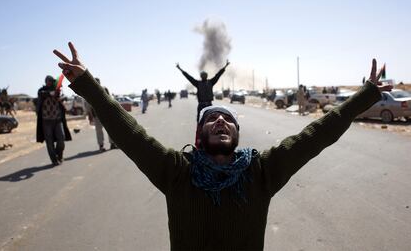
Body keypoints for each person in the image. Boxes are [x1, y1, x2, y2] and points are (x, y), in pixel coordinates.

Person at [54, 42, 391, 250]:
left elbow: (315, 135)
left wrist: (365, 96)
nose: (220, 122)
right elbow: (129, 134)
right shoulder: (176, 171)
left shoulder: (261, 172)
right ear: (199, 134)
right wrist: (87, 84)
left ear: (238, 134)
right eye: (212, 119)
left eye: (228, 120)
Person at [36, 75, 71, 166]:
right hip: (46, 121)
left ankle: (59, 155)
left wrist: (59, 95)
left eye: (52, 81)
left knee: (61, 139)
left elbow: (63, 96)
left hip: (57, 120)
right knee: (49, 141)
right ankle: (54, 159)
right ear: (46, 81)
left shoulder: (57, 91)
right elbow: (42, 94)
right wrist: (51, 93)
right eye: (49, 81)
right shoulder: (41, 91)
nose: (50, 82)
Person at [85, 78, 117, 151]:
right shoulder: (90, 91)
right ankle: (101, 146)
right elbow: (88, 104)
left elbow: (110, 100)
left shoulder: (104, 89)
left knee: (110, 129)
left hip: (106, 113)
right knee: (100, 131)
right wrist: (90, 114)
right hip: (97, 115)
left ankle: (111, 144)